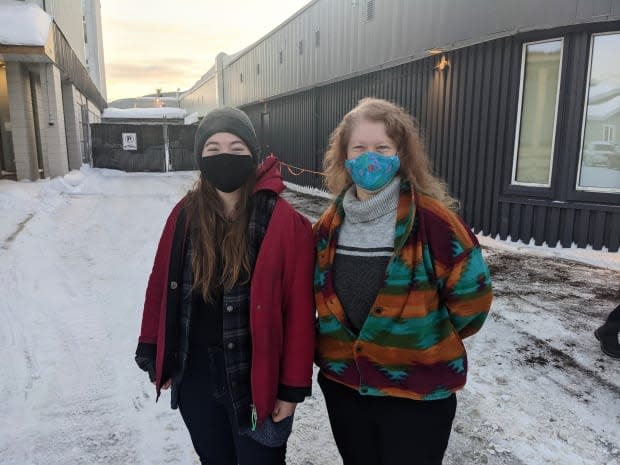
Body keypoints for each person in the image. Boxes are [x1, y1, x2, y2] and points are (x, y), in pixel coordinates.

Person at [313, 98, 493, 465]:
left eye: (382, 148)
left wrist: (419, 340)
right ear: (344, 157)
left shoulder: (434, 222)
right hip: (346, 388)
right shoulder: (328, 226)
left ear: (400, 154)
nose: (370, 158)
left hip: (418, 394)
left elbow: (471, 304)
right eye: (359, 148)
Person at [134, 107, 316, 465]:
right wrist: (152, 346)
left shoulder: (283, 222)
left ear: (253, 153)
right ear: (201, 156)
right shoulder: (184, 214)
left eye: (236, 147)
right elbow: (161, 285)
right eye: (213, 148)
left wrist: (292, 387)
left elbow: (298, 311)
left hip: (254, 380)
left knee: (259, 459)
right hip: (197, 376)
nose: (225, 156)